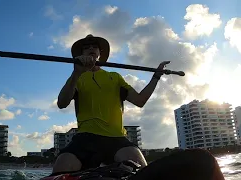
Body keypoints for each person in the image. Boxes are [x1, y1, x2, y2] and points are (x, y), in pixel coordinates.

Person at [51, 34, 170, 175]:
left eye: (94, 47)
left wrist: (156, 76)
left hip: (116, 138)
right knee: (61, 168)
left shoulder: (115, 77)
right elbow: (62, 103)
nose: (91, 49)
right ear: (82, 54)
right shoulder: (77, 77)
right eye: (86, 48)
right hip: (85, 138)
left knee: (142, 171)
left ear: (99, 54)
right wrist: (76, 73)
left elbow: (140, 100)